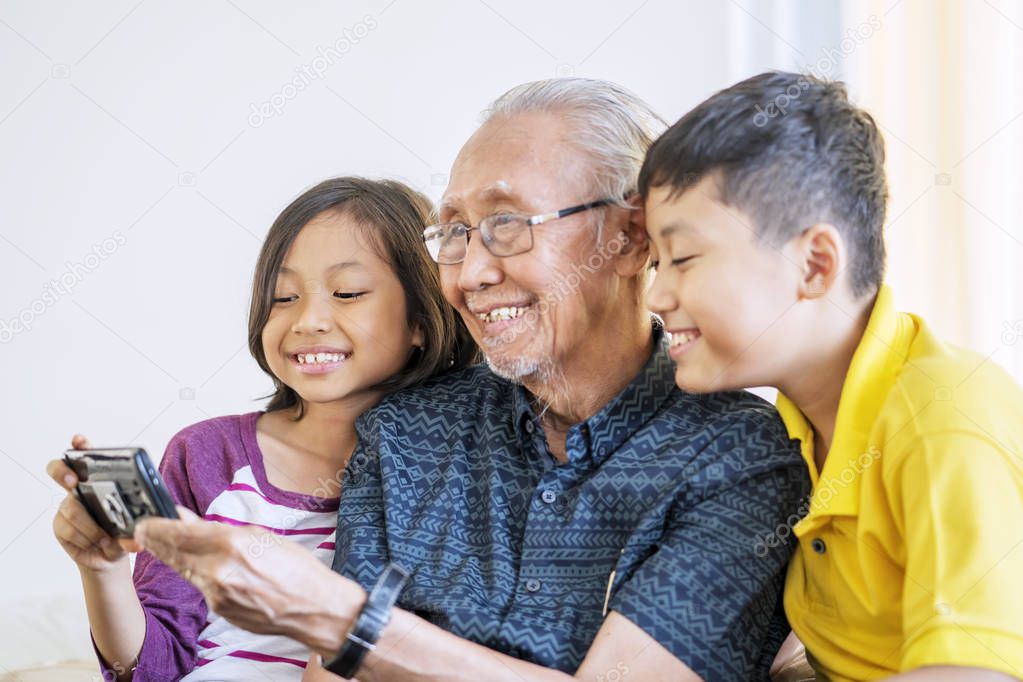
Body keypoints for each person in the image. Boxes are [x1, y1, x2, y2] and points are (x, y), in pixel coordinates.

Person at [106, 79, 810, 681]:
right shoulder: (405, 433)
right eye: (454, 232)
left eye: (506, 224)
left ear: (625, 238)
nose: (469, 274)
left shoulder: (740, 458)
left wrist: (349, 624)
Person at [640, 71, 1023, 681]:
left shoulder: (940, 417)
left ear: (815, 264)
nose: (657, 293)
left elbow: (976, 672)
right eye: (655, 263)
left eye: (682, 258)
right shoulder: (794, 429)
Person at [47, 177, 477, 680]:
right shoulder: (207, 454)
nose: (309, 319)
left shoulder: (447, 471)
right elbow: (148, 669)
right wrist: (102, 573)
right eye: (283, 297)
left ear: (422, 320)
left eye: (347, 292)